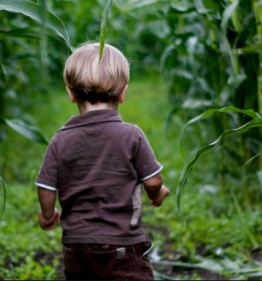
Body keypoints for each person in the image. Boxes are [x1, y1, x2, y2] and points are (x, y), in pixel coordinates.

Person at [35, 42, 170, 280]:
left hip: (76, 248)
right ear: (123, 92)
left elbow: (46, 186)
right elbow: (153, 181)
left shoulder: (60, 139)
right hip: (122, 246)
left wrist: (47, 215)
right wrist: (157, 194)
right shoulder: (132, 135)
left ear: (70, 92)